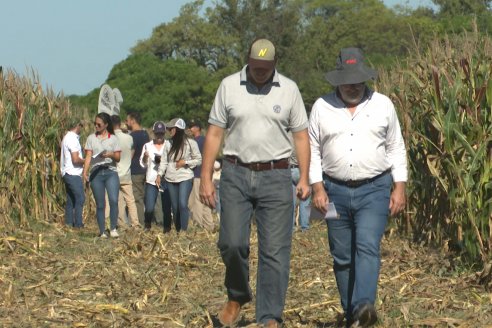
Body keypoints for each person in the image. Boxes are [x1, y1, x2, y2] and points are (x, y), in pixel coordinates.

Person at [199, 38, 310, 327]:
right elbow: (214, 133)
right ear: (247, 60)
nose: (259, 72)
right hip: (235, 172)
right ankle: (237, 295)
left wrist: (306, 178)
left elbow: (301, 136)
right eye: (255, 66)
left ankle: (270, 316)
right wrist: (205, 177)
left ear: (275, 64)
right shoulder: (228, 86)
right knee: (232, 243)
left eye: (265, 67)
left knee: (274, 250)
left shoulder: (289, 90)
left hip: (276, 175)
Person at [309, 48, 407, 327]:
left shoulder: (383, 105)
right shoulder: (321, 107)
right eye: (348, 80)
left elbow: (396, 148)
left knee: (366, 246)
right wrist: (318, 188)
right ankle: (353, 313)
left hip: (374, 189)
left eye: (358, 80)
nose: (353, 85)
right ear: (337, 79)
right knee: (341, 256)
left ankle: (364, 305)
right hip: (333, 191)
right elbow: (313, 151)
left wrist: (399, 187)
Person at [156, 118, 201, 233]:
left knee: (182, 203)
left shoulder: (191, 143)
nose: (169, 131)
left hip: (185, 177)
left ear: (178, 129)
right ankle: (177, 229)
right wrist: (159, 175)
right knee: (175, 207)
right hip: (170, 178)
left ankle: (183, 231)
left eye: (171, 129)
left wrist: (185, 162)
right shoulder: (168, 144)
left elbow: (198, 159)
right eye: (169, 128)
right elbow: (164, 161)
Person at [82, 112, 122, 238]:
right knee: (100, 204)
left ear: (106, 125)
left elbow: (118, 157)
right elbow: (88, 156)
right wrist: (85, 171)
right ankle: (102, 231)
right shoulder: (91, 138)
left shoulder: (113, 139)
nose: (96, 126)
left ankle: (113, 228)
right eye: (95, 123)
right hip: (96, 172)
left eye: (99, 124)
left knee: (114, 200)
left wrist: (110, 154)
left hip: (110, 171)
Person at [140, 121, 172, 231]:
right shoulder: (147, 146)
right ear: (153, 133)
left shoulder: (169, 145)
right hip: (151, 180)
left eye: (161, 134)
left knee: (166, 207)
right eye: (157, 134)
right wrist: (145, 157)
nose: (159, 136)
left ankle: (167, 228)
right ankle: (147, 224)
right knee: (149, 207)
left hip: (165, 180)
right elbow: (143, 164)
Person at [111, 115, 140, 228]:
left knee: (117, 201)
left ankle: (121, 223)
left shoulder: (111, 138)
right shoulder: (129, 138)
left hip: (114, 173)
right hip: (126, 173)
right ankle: (135, 223)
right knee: (130, 200)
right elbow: (131, 149)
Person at [187, 119, 216, 231]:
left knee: (196, 202)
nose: (190, 129)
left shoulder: (195, 142)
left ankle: (198, 226)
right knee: (205, 202)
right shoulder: (205, 140)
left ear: (198, 128)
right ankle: (209, 226)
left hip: (197, 174)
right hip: (206, 174)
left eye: (192, 127)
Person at [60, 118, 85, 228]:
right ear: (77, 125)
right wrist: (87, 161)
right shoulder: (72, 139)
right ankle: (78, 224)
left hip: (67, 172)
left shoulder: (67, 137)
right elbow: (75, 159)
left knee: (71, 199)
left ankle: (69, 223)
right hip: (73, 173)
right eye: (81, 126)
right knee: (80, 198)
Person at [125, 111, 150, 225]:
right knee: (143, 196)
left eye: (127, 120)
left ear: (133, 121)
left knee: (137, 198)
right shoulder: (145, 134)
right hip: (145, 169)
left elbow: (131, 153)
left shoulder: (133, 136)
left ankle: (139, 221)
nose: (126, 122)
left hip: (135, 170)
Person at [290, 138, 311, 231]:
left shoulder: (288, 135)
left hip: (289, 169)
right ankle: (305, 227)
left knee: (291, 201)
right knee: (305, 199)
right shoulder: (305, 136)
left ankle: (291, 227)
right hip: (302, 170)